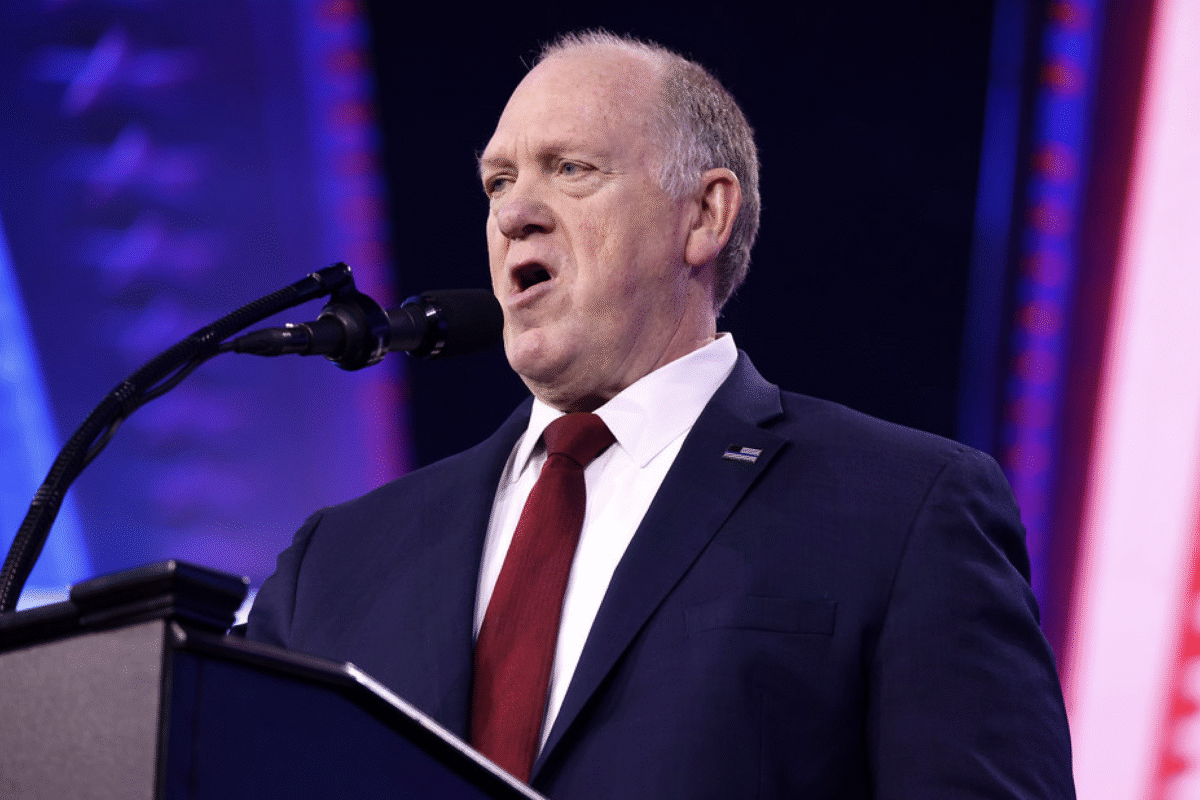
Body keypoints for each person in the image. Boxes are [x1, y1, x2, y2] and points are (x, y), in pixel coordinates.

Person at [247, 31, 1075, 799]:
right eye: (498, 182)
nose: (512, 213)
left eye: (570, 168)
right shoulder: (335, 563)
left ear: (705, 215)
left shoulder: (902, 510)